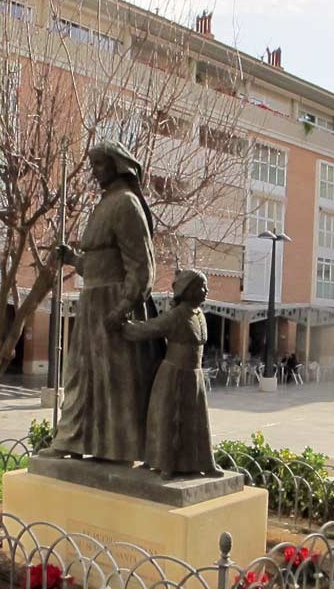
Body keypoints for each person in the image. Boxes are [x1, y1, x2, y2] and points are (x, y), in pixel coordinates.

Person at [40, 141, 161, 462]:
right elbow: (100, 262)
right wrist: (74, 260)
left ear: (117, 165)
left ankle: (115, 450)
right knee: (81, 373)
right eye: (92, 166)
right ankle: (72, 441)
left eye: (99, 165)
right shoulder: (107, 203)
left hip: (112, 305)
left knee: (112, 381)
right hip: (92, 301)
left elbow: (142, 267)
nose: (94, 172)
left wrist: (122, 309)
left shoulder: (126, 204)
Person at [119, 270, 219, 478]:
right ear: (187, 290)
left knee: (196, 424)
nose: (206, 291)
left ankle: (204, 462)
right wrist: (124, 326)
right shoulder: (176, 315)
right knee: (169, 420)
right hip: (174, 375)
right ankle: (165, 463)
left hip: (194, 376)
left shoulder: (199, 314)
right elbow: (146, 329)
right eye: (201, 287)